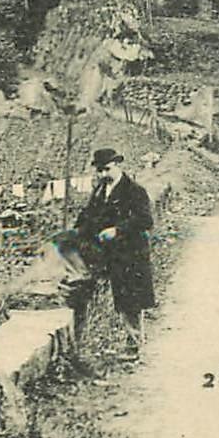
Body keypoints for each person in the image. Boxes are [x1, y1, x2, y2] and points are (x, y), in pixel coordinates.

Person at [73, 147, 156, 355]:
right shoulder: (101, 190)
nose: (102, 175)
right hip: (109, 254)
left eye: (107, 169)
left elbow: (145, 220)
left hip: (130, 252)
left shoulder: (134, 190)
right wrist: (76, 232)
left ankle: (134, 343)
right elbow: (89, 214)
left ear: (118, 165)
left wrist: (117, 230)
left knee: (131, 300)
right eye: (99, 171)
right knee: (120, 297)